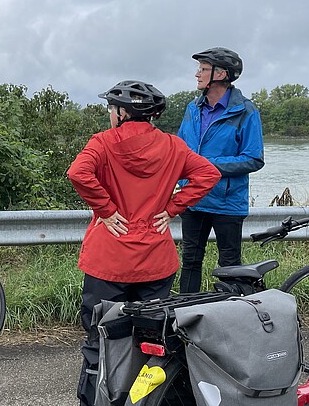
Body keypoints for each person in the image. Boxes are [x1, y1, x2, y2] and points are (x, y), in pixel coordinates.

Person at [67, 80, 221, 406]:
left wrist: (106, 210)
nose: (110, 114)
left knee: (100, 339)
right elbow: (208, 174)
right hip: (155, 259)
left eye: (111, 108)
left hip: (108, 259)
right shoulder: (172, 145)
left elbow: (79, 173)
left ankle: (95, 400)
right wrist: (173, 208)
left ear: (123, 112)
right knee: (153, 341)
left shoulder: (104, 142)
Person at [176, 47, 264, 293]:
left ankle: (230, 317)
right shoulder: (193, 109)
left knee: (230, 266)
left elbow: (254, 158)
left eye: (203, 69)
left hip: (227, 202)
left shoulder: (246, 111)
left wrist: (206, 165)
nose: (197, 74)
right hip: (193, 199)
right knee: (190, 262)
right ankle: (185, 315)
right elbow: (181, 150)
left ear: (221, 74)